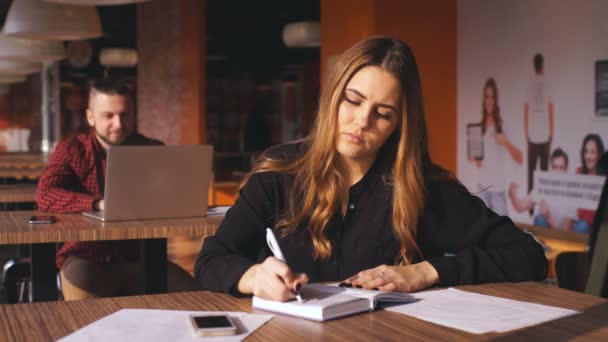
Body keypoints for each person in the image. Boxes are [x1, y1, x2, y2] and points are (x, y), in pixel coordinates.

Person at [194, 37, 547, 301]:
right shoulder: (278, 173)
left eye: (383, 113)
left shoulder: (425, 187)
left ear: (399, 125)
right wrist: (254, 277)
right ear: (333, 95)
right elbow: (211, 260)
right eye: (354, 100)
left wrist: (424, 272)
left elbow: (527, 255)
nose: (362, 122)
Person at [37, 77, 192, 300]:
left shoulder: (152, 149)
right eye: (108, 116)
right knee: (85, 323)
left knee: (198, 298)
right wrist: (97, 204)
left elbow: (174, 193)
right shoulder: (71, 150)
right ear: (90, 117)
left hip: (141, 258)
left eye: (125, 114)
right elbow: (45, 195)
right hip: (85, 258)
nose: (119, 124)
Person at [471, 78, 522, 216]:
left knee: (502, 234)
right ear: (483, 99)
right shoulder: (479, 126)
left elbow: (520, 158)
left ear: (496, 99)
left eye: (492, 96)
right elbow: (474, 158)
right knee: (481, 233)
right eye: (487, 96)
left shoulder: (503, 125)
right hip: (481, 188)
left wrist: (505, 142)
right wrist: (475, 160)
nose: (489, 100)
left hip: (498, 190)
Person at [508, 148, 577, 231]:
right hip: (540, 237)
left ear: (566, 170)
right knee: (539, 219)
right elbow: (520, 207)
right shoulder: (542, 187)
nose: (557, 172)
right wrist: (512, 194)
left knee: (540, 219)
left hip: (559, 240)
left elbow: (565, 235)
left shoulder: (571, 195)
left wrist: (548, 217)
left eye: (561, 167)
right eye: (555, 167)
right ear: (551, 169)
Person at [525, 53, 554, 193]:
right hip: (544, 136)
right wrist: (551, 133)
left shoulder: (529, 85)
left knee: (531, 172)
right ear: (542, 66)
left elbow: (525, 110)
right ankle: (542, 199)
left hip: (532, 136)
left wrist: (526, 134)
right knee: (543, 173)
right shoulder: (548, 84)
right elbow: (550, 111)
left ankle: (530, 208)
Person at [574, 134, 606, 233]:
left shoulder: (604, 177)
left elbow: (597, 211)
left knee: (581, 226)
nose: (588, 156)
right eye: (586, 152)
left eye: (592, 152)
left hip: (596, 224)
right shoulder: (579, 172)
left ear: (599, 155)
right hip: (579, 221)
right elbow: (575, 205)